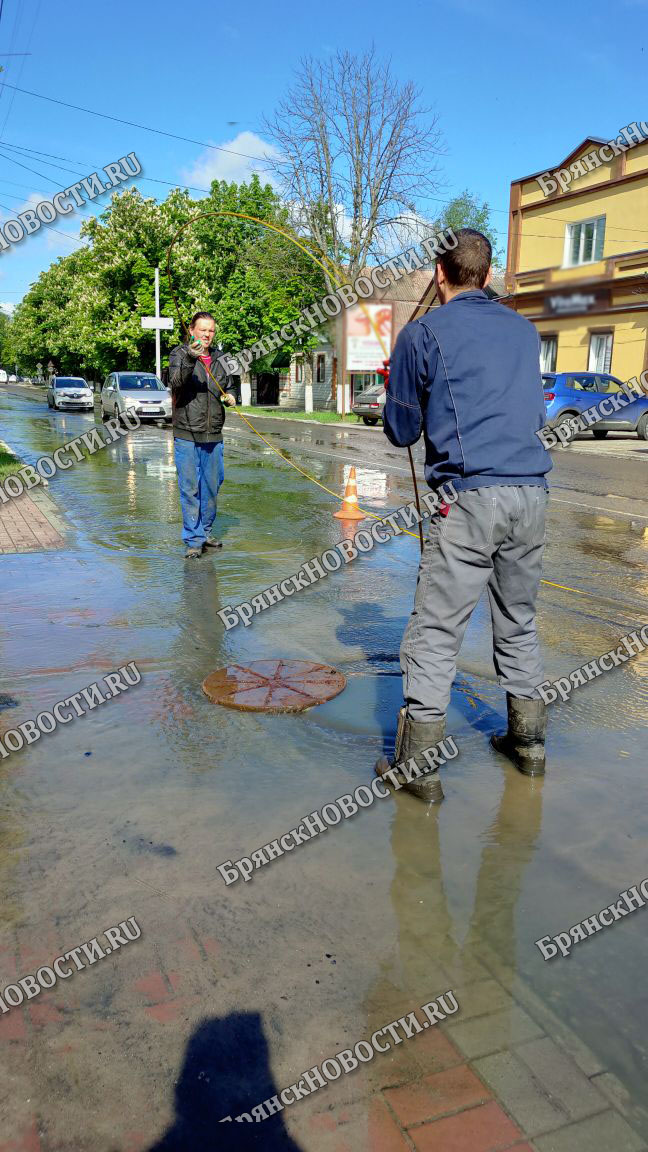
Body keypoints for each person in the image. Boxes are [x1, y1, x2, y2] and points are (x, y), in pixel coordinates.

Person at [376, 228, 552, 802]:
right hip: (531, 493)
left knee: (436, 629)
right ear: (488, 269)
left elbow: (402, 429)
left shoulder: (422, 332)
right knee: (518, 619)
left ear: (438, 271)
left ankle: (417, 768)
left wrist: (397, 386)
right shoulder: (525, 331)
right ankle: (528, 744)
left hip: (470, 499)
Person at [168, 312, 237, 559]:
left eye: (211, 331)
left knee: (211, 487)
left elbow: (229, 385)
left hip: (214, 434)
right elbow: (176, 382)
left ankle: (205, 531)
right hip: (187, 433)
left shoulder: (221, 358)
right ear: (192, 330)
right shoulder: (179, 353)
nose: (207, 335)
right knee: (189, 488)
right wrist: (190, 357)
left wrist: (231, 396)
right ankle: (193, 539)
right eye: (203, 330)